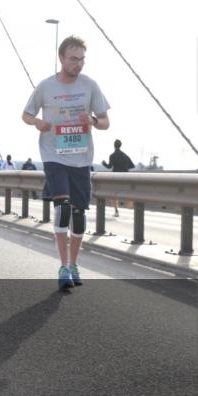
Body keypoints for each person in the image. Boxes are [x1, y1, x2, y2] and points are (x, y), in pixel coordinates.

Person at [23, 35, 110, 290]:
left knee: (78, 213)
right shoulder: (46, 87)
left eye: (82, 59)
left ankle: (73, 263)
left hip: (81, 157)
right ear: (61, 58)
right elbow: (26, 114)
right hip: (53, 155)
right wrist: (37, 122)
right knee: (61, 206)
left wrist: (92, 121)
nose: (78, 64)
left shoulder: (90, 85)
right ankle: (62, 266)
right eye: (73, 59)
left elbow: (105, 122)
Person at [101, 139, 136, 216]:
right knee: (128, 192)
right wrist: (124, 167)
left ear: (114, 145)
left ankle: (116, 211)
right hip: (125, 177)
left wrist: (104, 163)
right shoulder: (125, 156)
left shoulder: (112, 156)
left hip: (115, 177)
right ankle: (131, 207)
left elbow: (109, 166)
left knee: (114, 194)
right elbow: (132, 166)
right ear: (121, 145)